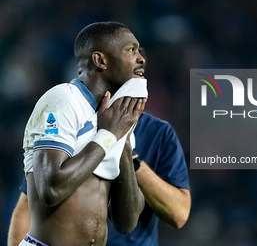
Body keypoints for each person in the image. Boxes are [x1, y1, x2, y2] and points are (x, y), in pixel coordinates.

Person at [8, 26, 191, 246]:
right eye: (131, 50)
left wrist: (122, 141)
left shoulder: (116, 122)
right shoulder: (63, 99)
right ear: (100, 60)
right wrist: (108, 135)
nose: (141, 59)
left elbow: (126, 223)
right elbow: (51, 190)